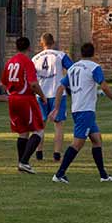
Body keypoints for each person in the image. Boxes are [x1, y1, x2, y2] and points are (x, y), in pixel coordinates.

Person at [50, 42, 112, 184]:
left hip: (78, 109)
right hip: (85, 111)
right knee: (77, 144)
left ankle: (103, 175)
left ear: (81, 53)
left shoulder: (73, 68)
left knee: (97, 140)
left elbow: (60, 87)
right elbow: (104, 86)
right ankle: (59, 174)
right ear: (93, 53)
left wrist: (56, 108)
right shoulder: (94, 67)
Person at [2, 37, 48, 174]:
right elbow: (33, 84)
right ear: (29, 47)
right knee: (39, 130)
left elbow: (3, 83)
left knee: (23, 132)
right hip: (25, 99)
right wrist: (42, 96)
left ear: (16, 47)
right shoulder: (27, 62)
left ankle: (21, 164)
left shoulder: (10, 62)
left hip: (12, 99)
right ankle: (24, 161)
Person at [31, 33, 74, 162]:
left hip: (41, 94)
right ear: (53, 42)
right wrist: (66, 83)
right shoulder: (60, 55)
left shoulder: (35, 58)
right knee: (58, 125)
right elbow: (72, 70)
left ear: (41, 43)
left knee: (40, 125)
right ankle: (56, 154)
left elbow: (31, 77)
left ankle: (39, 153)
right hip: (57, 93)